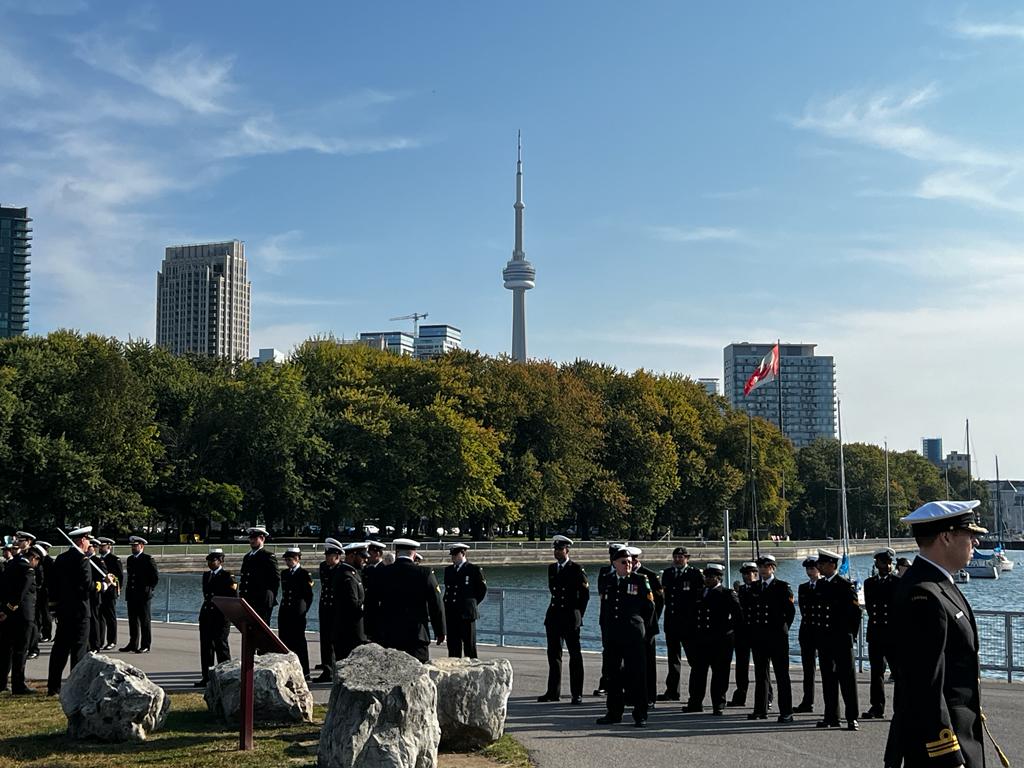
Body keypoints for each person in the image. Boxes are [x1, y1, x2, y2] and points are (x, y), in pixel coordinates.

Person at [885, 500, 990, 768]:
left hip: (957, 738)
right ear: (946, 537)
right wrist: (948, 755)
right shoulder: (923, 593)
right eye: (969, 534)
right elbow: (924, 686)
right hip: (940, 748)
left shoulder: (936, 583)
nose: (975, 542)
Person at [596, 545, 654, 728]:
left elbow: (649, 608)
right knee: (612, 674)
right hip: (613, 635)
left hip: (633, 635)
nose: (628, 564)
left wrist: (643, 630)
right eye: (623, 562)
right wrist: (605, 632)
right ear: (614, 563)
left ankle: (640, 714)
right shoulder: (608, 580)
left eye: (630, 561)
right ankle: (614, 712)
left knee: (637, 675)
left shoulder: (640, 580)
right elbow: (605, 608)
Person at [47, 526, 101, 695]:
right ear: (82, 540)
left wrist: (54, 608)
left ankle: (53, 687)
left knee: (60, 650)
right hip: (80, 611)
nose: (89, 544)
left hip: (64, 611)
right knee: (78, 651)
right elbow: (87, 586)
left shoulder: (61, 558)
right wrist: (103, 585)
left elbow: (53, 585)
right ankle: (75, 688)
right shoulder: (83, 560)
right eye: (88, 540)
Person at [812, 548, 862, 731]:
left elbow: (855, 614)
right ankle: (831, 716)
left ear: (832, 565)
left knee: (847, 680)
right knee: (828, 679)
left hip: (841, 639)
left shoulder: (845, 585)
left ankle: (852, 717)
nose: (819, 567)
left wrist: (851, 636)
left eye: (822, 564)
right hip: (825, 639)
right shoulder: (820, 585)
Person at [538, 535, 590, 704]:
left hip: (570, 617)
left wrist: (578, 615)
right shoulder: (552, 568)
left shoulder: (576, 569)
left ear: (567, 550)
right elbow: (554, 592)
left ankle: (577, 694)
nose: (557, 552)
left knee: (575, 656)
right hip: (554, 617)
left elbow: (584, 595)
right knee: (554, 656)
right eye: (555, 549)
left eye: (560, 549)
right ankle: (553, 692)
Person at [374, 539, 445, 662]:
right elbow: (436, 604)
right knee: (418, 670)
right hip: (416, 635)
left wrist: (371, 631)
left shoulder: (382, 572)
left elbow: (372, 602)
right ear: (414, 553)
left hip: (389, 634)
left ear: (397, 552)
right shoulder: (425, 573)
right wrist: (440, 631)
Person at [685, 563, 741, 715]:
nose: (707, 579)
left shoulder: (727, 594)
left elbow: (738, 616)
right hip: (701, 639)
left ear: (719, 578)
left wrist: (726, 630)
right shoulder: (699, 593)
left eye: (711, 577)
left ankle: (718, 703)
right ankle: (695, 702)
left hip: (720, 641)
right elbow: (691, 615)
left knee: (720, 673)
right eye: (706, 576)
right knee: (698, 672)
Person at [748, 554, 795, 723]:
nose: (762, 570)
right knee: (761, 674)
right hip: (759, 637)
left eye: (766, 566)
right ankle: (760, 709)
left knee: (782, 675)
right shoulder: (754, 587)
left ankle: (786, 711)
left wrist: (782, 629)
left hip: (777, 637)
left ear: (773, 568)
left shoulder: (782, 587)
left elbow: (790, 612)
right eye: (760, 567)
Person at [659, 546, 704, 702]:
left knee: (694, 659)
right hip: (671, 622)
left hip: (688, 623)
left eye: (681, 557)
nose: (677, 560)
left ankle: (695, 694)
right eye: (676, 557)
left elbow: (699, 599)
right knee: (673, 659)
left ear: (687, 558)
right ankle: (672, 691)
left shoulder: (694, 574)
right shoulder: (668, 573)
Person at [0, 543, 43, 694]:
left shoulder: (11, 565)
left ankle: (2, 683)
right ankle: (18, 685)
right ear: (34, 558)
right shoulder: (27, 570)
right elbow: (21, 593)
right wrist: (9, 608)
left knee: (6, 650)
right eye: (37, 561)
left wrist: (4, 610)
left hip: (8, 615)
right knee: (21, 651)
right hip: (23, 616)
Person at [730, 561, 773, 709]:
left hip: (757, 633)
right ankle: (740, 695)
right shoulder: (740, 590)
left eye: (751, 573)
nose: (748, 576)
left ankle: (767, 697)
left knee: (762, 668)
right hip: (742, 633)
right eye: (745, 574)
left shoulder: (761, 589)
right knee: (741, 667)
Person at [863, 547, 898, 720]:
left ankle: (901, 707)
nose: (887, 566)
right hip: (876, 632)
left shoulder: (898, 582)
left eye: (889, 562)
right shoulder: (869, 583)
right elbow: (870, 608)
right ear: (877, 564)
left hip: (893, 634)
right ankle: (877, 706)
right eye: (883, 562)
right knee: (876, 672)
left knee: (898, 672)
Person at [195, 549, 236, 686]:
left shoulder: (227, 576)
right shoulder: (206, 575)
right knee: (206, 648)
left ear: (220, 561)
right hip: (207, 615)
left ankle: (226, 678)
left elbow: (233, 597)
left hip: (220, 616)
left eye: (213, 560)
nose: (210, 563)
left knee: (221, 647)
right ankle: (206, 677)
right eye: (209, 561)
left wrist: (228, 614)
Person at [630, 546, 664, 708]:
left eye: (631, 559)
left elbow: (658, 602)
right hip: (630, 627)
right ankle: (632, 694)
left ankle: (650, 696)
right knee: (630, 663)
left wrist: (650, 623)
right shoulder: (625, 576)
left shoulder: (649, 575)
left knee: (648, 664)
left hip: (647, 627)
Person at [442, 543, 487, 658]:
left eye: (455, 555)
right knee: (453, 646)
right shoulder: (449, 570)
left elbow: (481, 590)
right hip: (452, 612)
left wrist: (472, 603)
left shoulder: (473, 569)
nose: (453, 557)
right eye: (452, 555)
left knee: (469, 646)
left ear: (463, 553)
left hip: (466, 613)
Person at [593, 543, 625, 696]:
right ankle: (606, 682)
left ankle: (622, 683)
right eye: (612, 555)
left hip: (623, 620)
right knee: (607, 652)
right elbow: (602, 593)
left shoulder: (628, 573)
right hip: (607, 618)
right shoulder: (605, 572)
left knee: (624, 652)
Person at [331, 542, 369, 665]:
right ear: (352, 556)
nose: (365, 560)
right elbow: (353, 604)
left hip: (351, 631)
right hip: (349, 632)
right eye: (362, 557)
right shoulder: (346, 575)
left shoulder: (352, 573)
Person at [278, 547, 314, 678]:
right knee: (285, 640)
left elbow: (309, 596)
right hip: (285, 611)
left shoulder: (304, 574)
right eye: (287, 560)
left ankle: (304, 671)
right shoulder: (285, 574)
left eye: (290, 559)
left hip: (297, 612)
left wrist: (303, 610)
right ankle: (288, 670)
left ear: (297, 559)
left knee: (299, 642)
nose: (288, 562)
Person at [120, 535, 158, 653]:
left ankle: (145, 645)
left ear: (141, 546)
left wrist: (149, 589)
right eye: (132, 546)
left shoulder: (148, 559)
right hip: (132, 594)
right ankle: (133, 643)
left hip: (143, 595)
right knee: (133, 621)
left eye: (135, 546)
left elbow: (155, 577)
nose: (133, 548)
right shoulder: (130, 559)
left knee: (145, 621)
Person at [238, 527, 279, 625]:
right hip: (248, 600)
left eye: (255, 538)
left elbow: (275, 579)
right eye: (250, 538)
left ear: (262, 538)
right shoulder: (247, 557)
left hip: (262, 601)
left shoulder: (268, 556)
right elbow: (244, 579)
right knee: (249, 628)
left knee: (261, 628)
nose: (252, 541)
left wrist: (269, 597)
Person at [795, 555, 820, 713]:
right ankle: (807, 700)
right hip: (807, 631)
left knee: (828, 670)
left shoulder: (825, 586)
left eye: (812, 568)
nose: (809, 572)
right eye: (808, 569)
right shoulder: (803, 588)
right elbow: (804, 610)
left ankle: (830, 705)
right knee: (808, 670)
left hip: (822, 632)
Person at [316, 538, 343, 680]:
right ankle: (327, 669)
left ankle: (336, 669)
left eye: (329, 555)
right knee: (325, 640)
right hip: (325, 607)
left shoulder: (342, 569)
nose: (326, 558)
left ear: (337, 556)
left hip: (335, 609)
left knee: (336, 641)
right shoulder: (324, 567)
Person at [97, 537, 122, 650]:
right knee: (100, 617)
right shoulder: (98, 560)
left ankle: (112, 641)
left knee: (110, 618)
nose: (100, 548)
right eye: (100, 546)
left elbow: (119, 577)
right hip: (101, 592)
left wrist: (116, 589)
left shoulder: (114, 559)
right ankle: (99, 641)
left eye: (102, 546)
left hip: (110, 592)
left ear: (109, 547)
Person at [360, 540, 386, 641]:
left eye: (370, 554)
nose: (367, 557)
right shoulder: (366, 569)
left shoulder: (384, 570)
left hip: (378, 613)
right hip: (367, 612)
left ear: (377, 554)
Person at [87, 538, 109, 651]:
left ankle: (95, 644)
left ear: (94, 548)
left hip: (95, 594)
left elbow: (105, 578)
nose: (87, 549)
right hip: (85, 594)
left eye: (90, 547)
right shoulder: (83, 559)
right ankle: (87, 644)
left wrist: (101, 586)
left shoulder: (98, 561)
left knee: (94, 619)